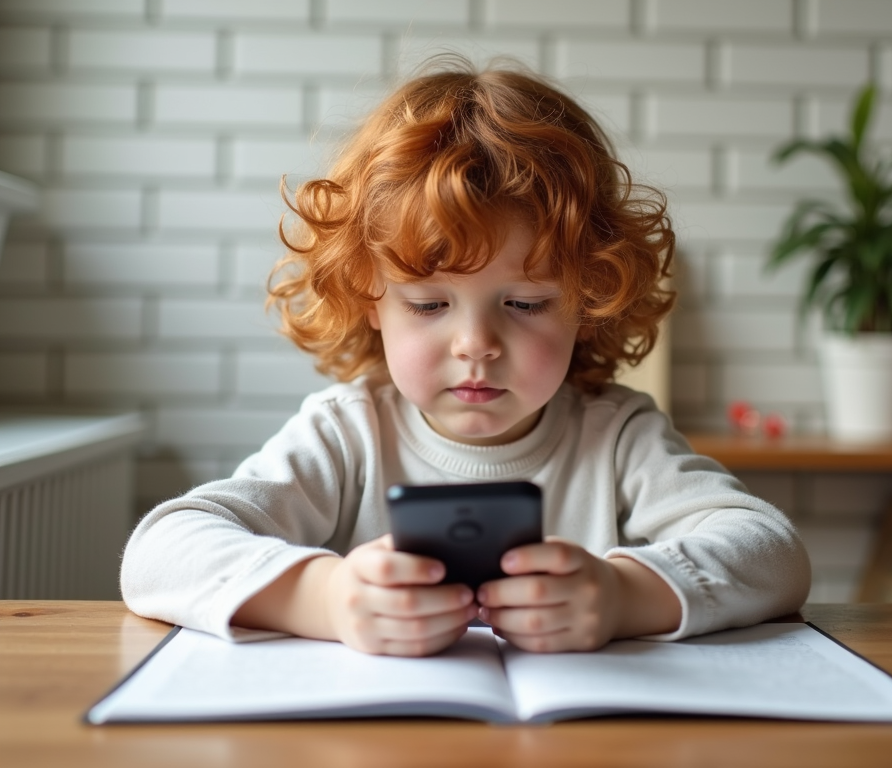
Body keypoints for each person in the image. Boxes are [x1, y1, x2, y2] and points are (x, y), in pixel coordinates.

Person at [121, 59, 810, 657]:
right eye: (428, 305)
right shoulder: (348, 431)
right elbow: (159, 554)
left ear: (588, 301)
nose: (475, 344)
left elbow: (773, 552)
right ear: (370, 300)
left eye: (527, 303)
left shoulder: (618, 434)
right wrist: (327, 599)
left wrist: (625, 595)